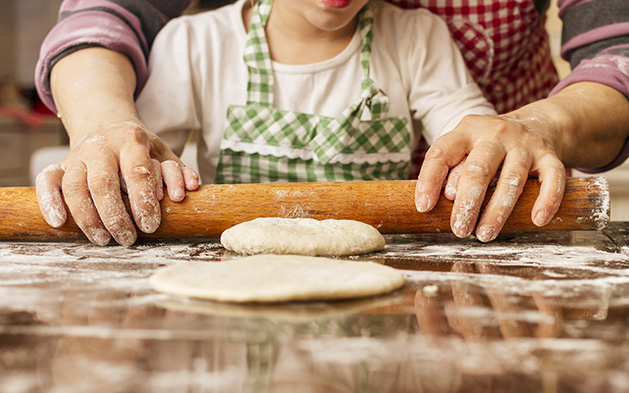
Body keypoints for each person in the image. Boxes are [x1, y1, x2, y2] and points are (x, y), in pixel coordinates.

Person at [34, 0, 629, 246]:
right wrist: (112, 145)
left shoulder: (417, 37)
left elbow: (469, 134)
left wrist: (509, 140)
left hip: (392, 261)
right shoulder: (197, 43)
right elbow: (143, 155)